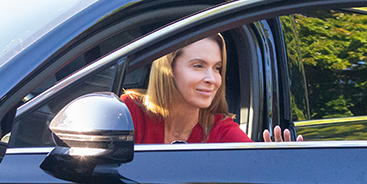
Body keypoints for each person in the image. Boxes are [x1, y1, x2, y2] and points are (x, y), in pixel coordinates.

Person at [121, 34, 303, 144]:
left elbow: (257, 177)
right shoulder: (129, 112)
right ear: (168, 70)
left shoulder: (220, 130)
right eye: (198, 66)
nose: (212, 80)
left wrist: (280, 165)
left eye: (217, 68)